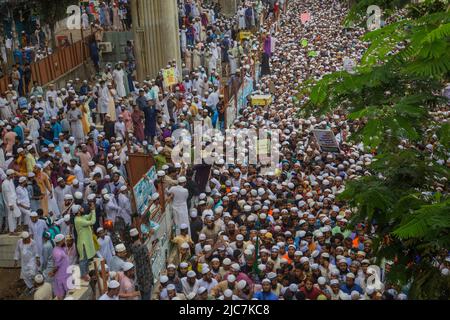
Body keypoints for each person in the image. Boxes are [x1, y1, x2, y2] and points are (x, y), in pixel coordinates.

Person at [73, 202, 96, 281]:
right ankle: (83, 274)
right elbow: (92, 221)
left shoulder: (82, 217)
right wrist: (93, 211)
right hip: (83, 242)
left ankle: (86, 272)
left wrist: (92, 210)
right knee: (83, 259)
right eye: (81, 209)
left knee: (86, 259)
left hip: (85, 241)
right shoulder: (78, 220)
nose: (83, 209)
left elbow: (89, 216)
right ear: (78, 212)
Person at [129, 228, 154, 300]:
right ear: (139, 235)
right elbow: (147, 259)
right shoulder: (143, 247)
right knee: (147, 294)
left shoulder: (132, 247)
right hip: (146, 273)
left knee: (142, 293)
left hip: (139, 273)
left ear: (131, 238)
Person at [49, 234, 70, 299]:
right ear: (61, 240)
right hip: (61, 275)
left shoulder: (62, 247)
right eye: (64, 239)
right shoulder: (57, 252)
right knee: (62, 294)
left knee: (68, 292)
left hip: (66, 273)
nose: (65, 240)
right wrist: (52, 272)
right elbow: (57, 266)